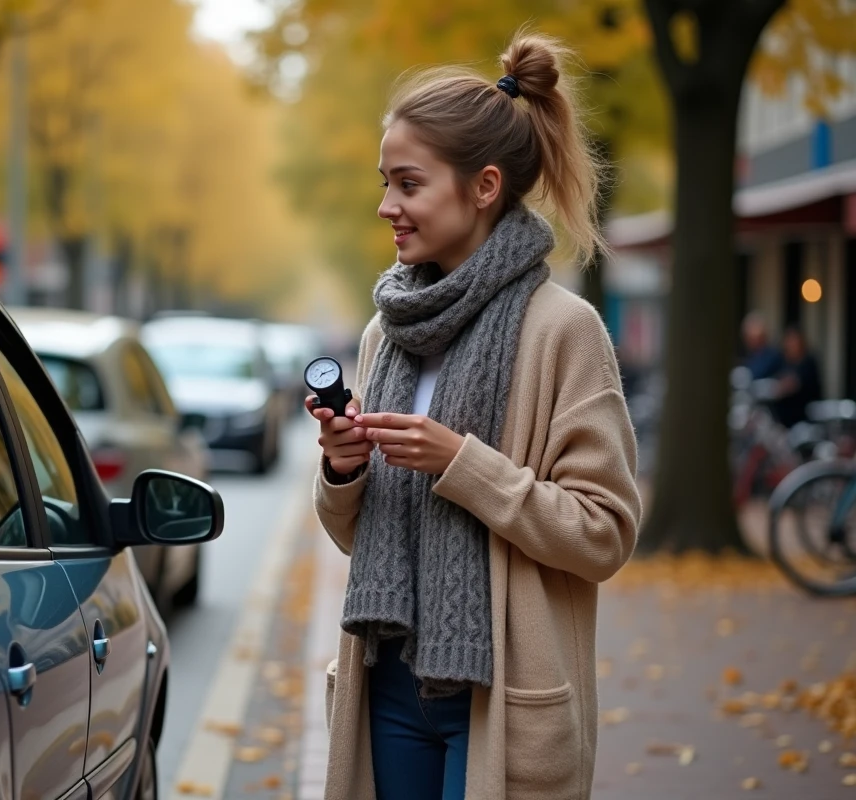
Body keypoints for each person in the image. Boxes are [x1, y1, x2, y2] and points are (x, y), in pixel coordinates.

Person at [305, 30, 642, 800]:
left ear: (484, 186)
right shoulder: (383, 332)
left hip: (502, 694)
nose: (386, 205)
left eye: (408, 184)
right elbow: (357, 535)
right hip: (387, 679)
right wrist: (343, 467)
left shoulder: (563, 331)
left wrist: (465, 465)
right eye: (385, 182)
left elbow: (605, 533)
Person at [770, 326, 822, 429]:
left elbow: (794, 384)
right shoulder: (781, 361)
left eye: (794, 341)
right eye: (789, 341)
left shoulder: (808, 362)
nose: (791, 344)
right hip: (781, 420)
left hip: (803, 419)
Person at [741, 311, 782, 380]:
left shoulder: (773, 356)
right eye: (750, 338)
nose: (753, 342)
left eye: (756, 338)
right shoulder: (745, 354)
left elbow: (757, 374)